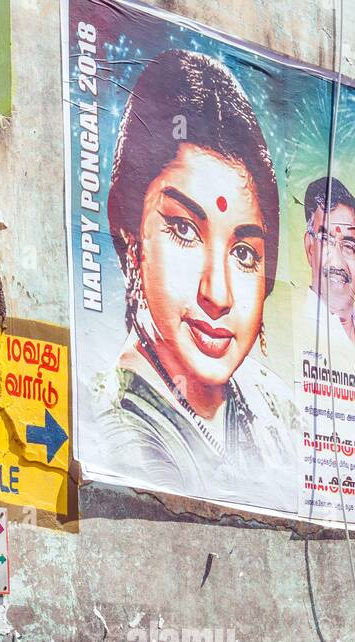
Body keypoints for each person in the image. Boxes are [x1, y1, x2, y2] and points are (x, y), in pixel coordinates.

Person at [99, 48, 297, 514]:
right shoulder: (112, 429)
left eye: (245, 253)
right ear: (128, 229)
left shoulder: (284, 417)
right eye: (184, 230)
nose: (219, 293)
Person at [303, 175, 355, 350]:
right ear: (310, 248)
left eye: (348, 246)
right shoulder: (304, 329)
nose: (337, 262)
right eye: (326, 240)